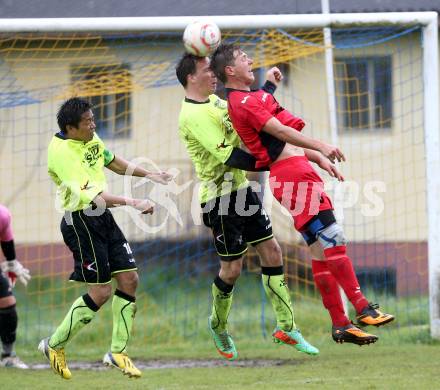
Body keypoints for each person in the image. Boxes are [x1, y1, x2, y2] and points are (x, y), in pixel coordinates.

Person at [210, 44, 394, 346]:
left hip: (295, 174)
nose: (250, 61)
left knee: (320, 249)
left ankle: (340, 325)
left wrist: (315, 156)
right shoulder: (242, 100)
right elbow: (280, 132)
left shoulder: (250, 97)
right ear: (230, 70)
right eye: (244, 59)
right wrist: (320, 145)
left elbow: (280, 135)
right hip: (295, 179)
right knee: (333, 236)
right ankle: (362, 307)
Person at [176, 53, 319, 360]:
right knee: (232, 269)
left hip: (242, 191)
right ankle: (218, 325)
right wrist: (276, 160)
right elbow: (230, 157)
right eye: (206, 70)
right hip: (220, 199)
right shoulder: (192, 116)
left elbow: (250, 109)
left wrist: (268, 87)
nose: (213, 74)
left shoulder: (216, 103)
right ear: (191, 77)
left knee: (272, 252)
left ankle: (287, 327)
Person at [40, 97, 172, 379]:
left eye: (92, 119)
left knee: (130, 279)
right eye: (87, 122)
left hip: (101, 218)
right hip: (81, 221)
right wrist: (134, 202)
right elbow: (97, 198)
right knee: (100, 292)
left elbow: (111, 161)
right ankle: (54, 345)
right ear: (70, 128)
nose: (93, 125)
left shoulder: (89, 137)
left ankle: (118, 352)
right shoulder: (62, 153)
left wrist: (150, 175)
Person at [0, 204, 30, 369]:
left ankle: (7, 356)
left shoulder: (2, 215)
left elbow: (6, 239)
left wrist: (12, 263)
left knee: (7, 303)